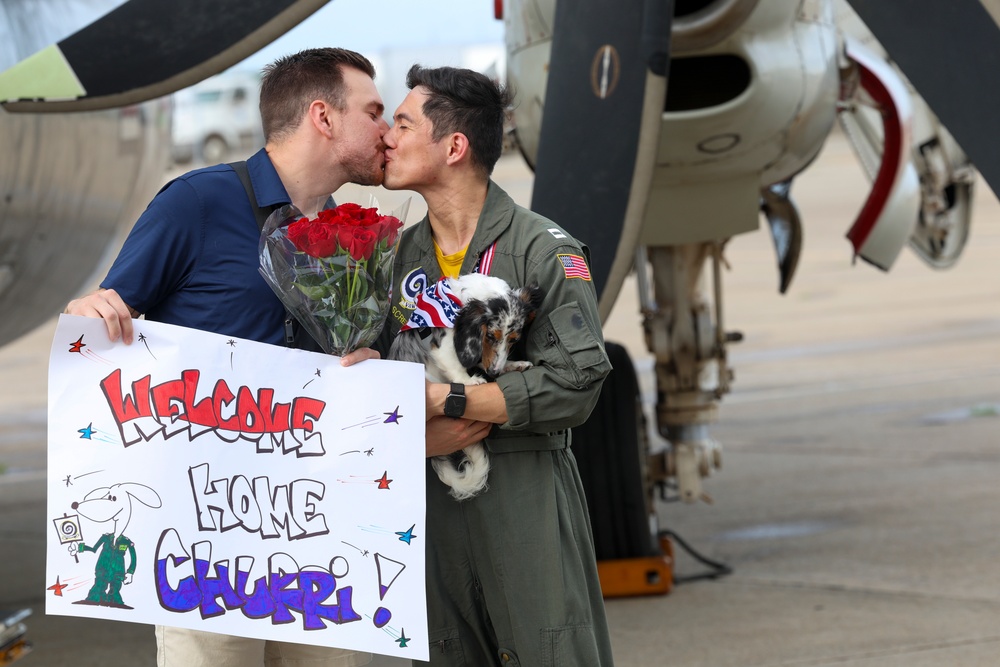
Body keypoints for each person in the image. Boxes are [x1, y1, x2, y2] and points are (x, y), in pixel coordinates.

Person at [64, 47, 384, 667]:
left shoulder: (356, 235)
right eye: (372, 112)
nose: (385, 130)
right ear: (323, 116)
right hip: (205, 544)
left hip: (319, 535)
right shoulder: (196, 203)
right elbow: (107, 320)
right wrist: (87, 315)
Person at [375, 65, 616, 666]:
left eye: (403, 123)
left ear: (454, 146)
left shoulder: (542, 249)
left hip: (524, 492)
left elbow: (576, 382)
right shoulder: (395, 260)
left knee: (549, 649)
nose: (387, 136)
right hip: (427, 500)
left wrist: (448, 403)